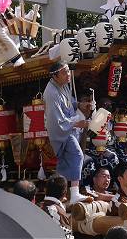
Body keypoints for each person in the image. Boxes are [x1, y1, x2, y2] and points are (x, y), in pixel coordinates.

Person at [43, 61, 91, 204]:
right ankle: (75, 193)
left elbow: (69, 102)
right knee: (77, 154)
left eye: (68, 71)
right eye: (64, 72)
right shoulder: (51, 93)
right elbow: (57, 121)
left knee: (64, 163)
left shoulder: (62, 85)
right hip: (60, 131)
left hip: (68, 127)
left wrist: (79, 104)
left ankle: (57, 194)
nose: (68, 74)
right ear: (55, 76)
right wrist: (77, 123)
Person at [40, 174, 74, 239]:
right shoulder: (58, 214)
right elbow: (67, 237)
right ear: (65, 192)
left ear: (45, 190)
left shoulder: (36, 207)